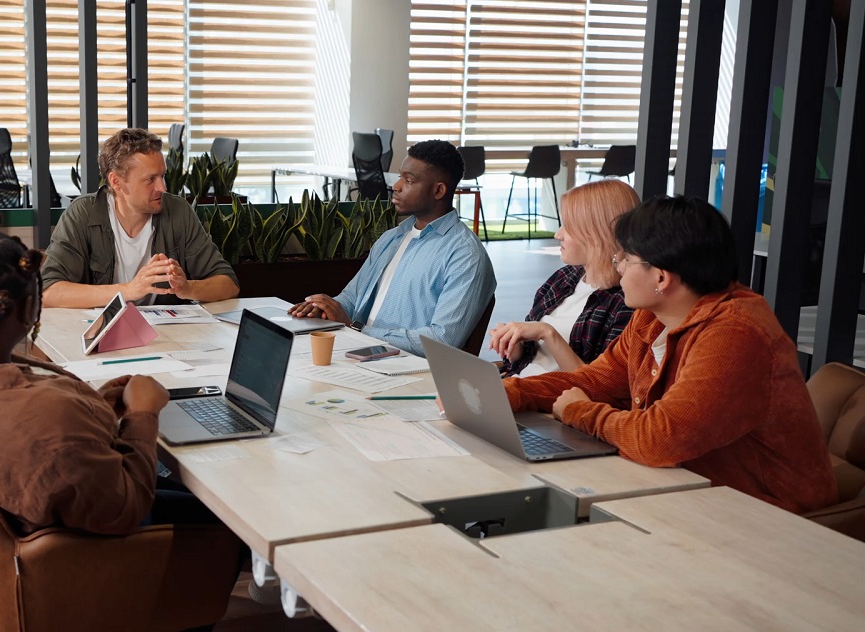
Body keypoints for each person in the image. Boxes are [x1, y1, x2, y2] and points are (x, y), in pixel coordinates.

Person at [0, 207, 236, 632]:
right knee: (222, 516)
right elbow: (125, 504)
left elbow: (51, 434)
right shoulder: (44, 417)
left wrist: (101, 403)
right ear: (27, 312)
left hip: (5, 546)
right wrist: (141, 414)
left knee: (186, 489)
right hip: (66, 565)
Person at [504, 196, 837, 514]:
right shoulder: (652, 316)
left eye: (625, 260)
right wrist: (511, 393)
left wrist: (581, 412)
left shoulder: (735, 333)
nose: (618, 269)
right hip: (688, 488)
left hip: (766, 514)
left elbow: (660, 438)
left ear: (661, 277)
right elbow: (596, 380)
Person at [288, 139, 496, 357]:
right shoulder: (392, 237)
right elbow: (351, 297)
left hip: (406, 368)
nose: (396, 186)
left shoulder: (465, 255)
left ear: (438, 190)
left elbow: (442, 341)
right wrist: (324, 306)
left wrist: (357, 329)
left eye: (408, 180)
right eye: (399, 177)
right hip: (358, 351)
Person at [41, 128, 239, 308]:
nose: (163, 188)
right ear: (117, 182)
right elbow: (49, 292)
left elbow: (228, 284)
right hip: (102, 336)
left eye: (162, 176)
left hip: (165, 337)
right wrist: (128, 290)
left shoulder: (178, 210)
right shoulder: (83, 213)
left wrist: (187, 288)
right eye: (150, 179)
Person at [490, 180, 640, 377]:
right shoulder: (564, 278)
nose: (558, 234)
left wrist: (548, 333)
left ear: (597, 234)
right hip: (515, 385)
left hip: (550, 403)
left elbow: (600, 386)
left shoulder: (627, 303)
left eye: (568, 226)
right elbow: (531, 357)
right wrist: (515, 344)